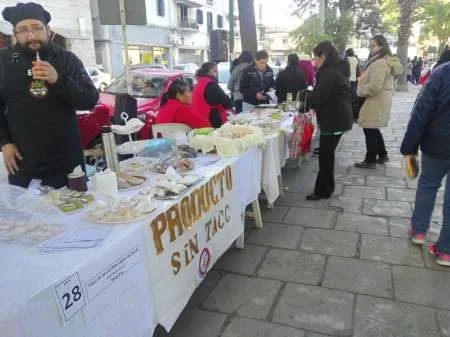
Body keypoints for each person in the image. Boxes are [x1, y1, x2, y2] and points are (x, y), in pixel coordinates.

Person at [0, 2, 98, 189]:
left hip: (66, 159)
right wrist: (4, 142)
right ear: (15, 34)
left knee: (75, 212)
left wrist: (58, 79)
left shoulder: (67, 59)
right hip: (23, 159)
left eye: (37, 28)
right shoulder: (3, 62)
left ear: (48, 29)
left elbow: (89, 100)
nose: (31, 35)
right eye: (23, 30)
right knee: (31, 216)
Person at [400, 62, 450, 266]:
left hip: (437, 142)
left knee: (428, 185)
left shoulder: (443, 72)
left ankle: (419, 230)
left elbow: (422, 110)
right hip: (438, 142)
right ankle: (446, 251)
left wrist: (409, 146)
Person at [306, 41, 353, 201]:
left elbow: (319, 96)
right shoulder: (337, 68)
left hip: (333, 119)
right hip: (338, 118)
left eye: (316, 59)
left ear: (323, 56)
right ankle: (325, 188)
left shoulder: (328, 73)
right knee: (327, 154)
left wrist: (305, 96)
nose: (315, 62)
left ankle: (323, 190)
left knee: (326, 156)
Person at [354, 34, 403, 169]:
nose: (371, 48)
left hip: (375, 100)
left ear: (382, 46)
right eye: (370, 46)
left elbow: (375, 86)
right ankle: (382, 155)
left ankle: (370, 160)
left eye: (373, 46)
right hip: (378, 100)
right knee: (373, 127)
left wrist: (360, 91)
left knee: (370, 129)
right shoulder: (381, 60)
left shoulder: (380, 62)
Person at [192, 62, 233, 128]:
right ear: (211, 71)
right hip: (211, 120)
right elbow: (226, 101)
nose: (217, 74)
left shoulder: (200, 82)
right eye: (216, 71)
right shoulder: (211, 84)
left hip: (200, 118)